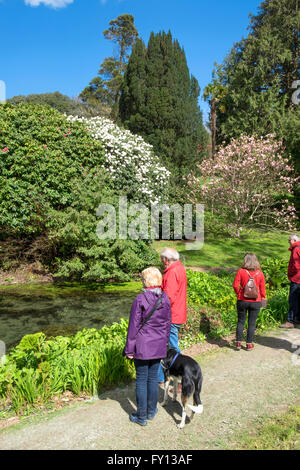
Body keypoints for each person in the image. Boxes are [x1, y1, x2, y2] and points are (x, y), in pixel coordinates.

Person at [124, 266, 171, 426]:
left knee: (142, 379)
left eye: (142, 279)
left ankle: (141, 416)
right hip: (158, 345)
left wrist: (129, 349)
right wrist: (164, 343)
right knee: (152, 379)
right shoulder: (165, 298)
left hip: (143, 346)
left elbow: (133, 327)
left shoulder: (140, 299)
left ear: (146, 281)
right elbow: (167, 325)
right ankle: (151, 411)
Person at [157, 247, 187, 385]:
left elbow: (168, 298)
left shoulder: (172, 273)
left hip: (171, 316)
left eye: (162, 259)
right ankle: (167, 377)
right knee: (170, 347)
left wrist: (156, 311)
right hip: (177, 313)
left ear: (167, 260)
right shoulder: (179, 268)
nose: (161, 262)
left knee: (172, 348)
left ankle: (180, 376)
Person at [233, 253, 266, 350]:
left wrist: (238, 292)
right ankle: (248, 344)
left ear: (245, 260)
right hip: (256, 301)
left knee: (240, 321)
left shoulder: (241, 271)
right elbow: (263, 289)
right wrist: (263, 298)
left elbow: (235, 285)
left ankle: (238, 343)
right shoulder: (260, 273)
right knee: (252, 323)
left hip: (242, 300)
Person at [280, 234, 300, 328]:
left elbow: (296, 266)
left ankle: (290, 321)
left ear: (294, 240)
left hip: (296, 278)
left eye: (289, 240)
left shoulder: (296, 249)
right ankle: (297, 318)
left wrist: (290, 274)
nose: (288, 242)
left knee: (292, 300)